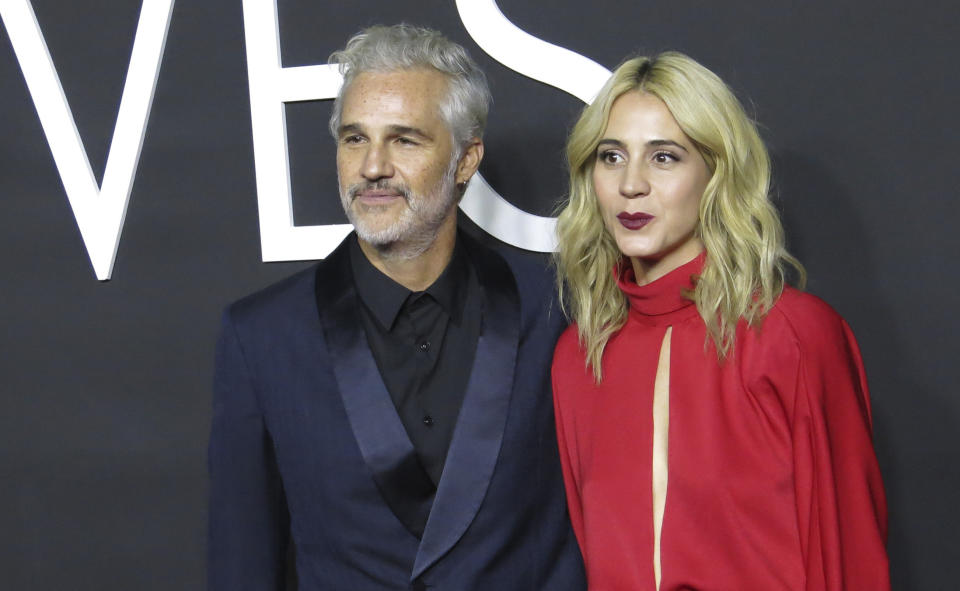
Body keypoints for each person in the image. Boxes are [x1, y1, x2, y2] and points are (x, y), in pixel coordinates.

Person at [208, 25, 585, 590]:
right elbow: (243, 565)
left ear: (465, 159)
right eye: (355, 139)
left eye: (405, 140)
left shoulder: (556, 309)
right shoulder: (262, 337)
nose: (372, 167)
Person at [552, 52, 889, 590]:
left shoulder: (792, 336)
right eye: (611, 156)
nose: (631, 184)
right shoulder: (580, 355)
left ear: (715, 173)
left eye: (664, 158)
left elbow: (849, 558)